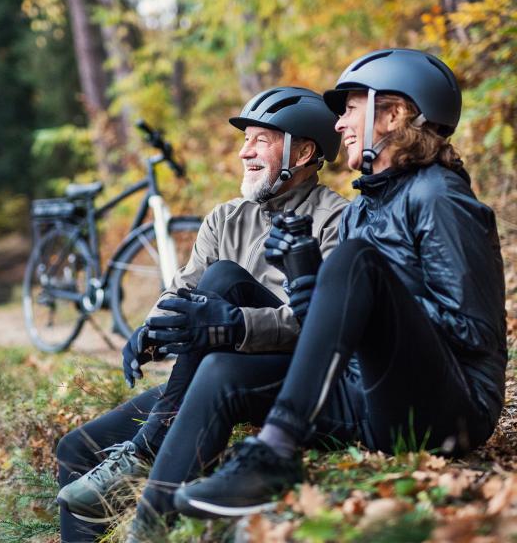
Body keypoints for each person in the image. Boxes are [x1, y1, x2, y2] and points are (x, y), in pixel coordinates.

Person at [170, 48, 507, 519]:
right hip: (371, 399)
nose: (339, 124)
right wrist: (311, 287)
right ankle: (147, 520)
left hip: (453, 411)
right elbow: (336, 342)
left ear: (392, 114)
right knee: (221, 374)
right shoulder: (361, 211)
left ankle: (276, 452)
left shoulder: (439, 196)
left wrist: (371, 295)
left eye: (350, 109)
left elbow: (475, 332)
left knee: (356, 261)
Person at [55, 87, 347, 542]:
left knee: (226, 279)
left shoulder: (335, 220)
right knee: (75, 448)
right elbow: (183, 289)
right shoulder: (224, 218)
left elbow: (324, 322)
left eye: (261, 140)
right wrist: (152, 330)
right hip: (210, 370)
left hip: (280, 372)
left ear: (305, 151)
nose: (244, 151)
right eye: (245, 140)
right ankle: (138, 454)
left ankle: (146, 449)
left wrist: (234, 324)